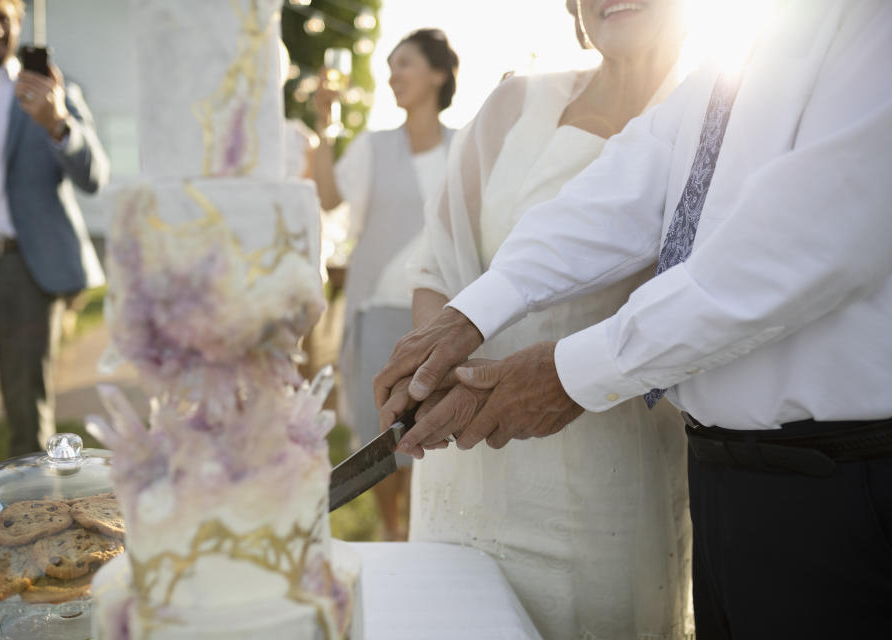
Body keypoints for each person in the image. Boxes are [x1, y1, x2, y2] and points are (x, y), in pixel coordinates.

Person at [374, 1, 892, 638]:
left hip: (840, 485)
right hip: (722, 485)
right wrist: (469, 313)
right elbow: (621, 192)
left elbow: (797, 249)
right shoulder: (744, 56)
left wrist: (570, 373)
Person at [380, 1, 692, 637]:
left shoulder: (715, 119)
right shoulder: (513, 105)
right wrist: (433, 381)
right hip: (460, 456)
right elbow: (438, 265)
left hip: (602, 476)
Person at [0, 0, 108, 474]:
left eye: (4, 17)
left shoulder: (52, 89)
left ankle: (35, 525)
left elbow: (95, 175)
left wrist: (57, 124)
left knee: (30, 417)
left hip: (27, 272)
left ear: (19, 22)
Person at [311, 28, 458, 541]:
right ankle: (391, 532)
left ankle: (421, 532)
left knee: (430, 429)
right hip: (378, 313)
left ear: (438, 74)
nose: (393, 75)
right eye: (389, 66)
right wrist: (323, 127)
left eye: (405, 64)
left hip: (442, 320)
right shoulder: (372, 147)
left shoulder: (464, 149)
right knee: (382, 435)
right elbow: (329, 198)